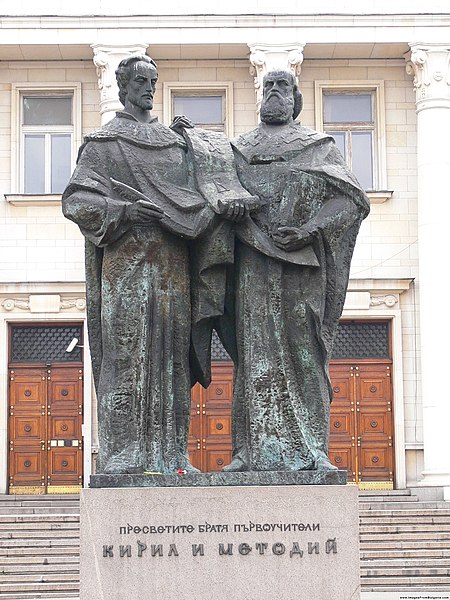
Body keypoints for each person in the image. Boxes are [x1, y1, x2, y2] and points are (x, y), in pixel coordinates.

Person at [62, 55, 248, 475]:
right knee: (128, 356)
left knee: (171, 358)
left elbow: (204, 189)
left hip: (172, 265)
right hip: (126, 268)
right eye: (140, 81)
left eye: (153, 80)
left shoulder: (172, 143)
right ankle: (124, 457)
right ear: (123, 87)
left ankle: (171, 455)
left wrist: (198, 145)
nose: (148, 88)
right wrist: (126, 212)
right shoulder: (104, 143)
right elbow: (77, 201)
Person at [222, 70, 370, 472]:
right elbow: (217, 194)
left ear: (295, 100)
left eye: (281, 87)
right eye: (267, 87)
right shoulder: (237, 150)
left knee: (305, 354)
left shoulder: (319, 147)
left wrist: (309, 229)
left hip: (303, 268)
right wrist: (232, 208)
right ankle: (248, 452)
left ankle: (314, 450)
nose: (273, 93)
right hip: (252, 265)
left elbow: (352, 201)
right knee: (254, 355)